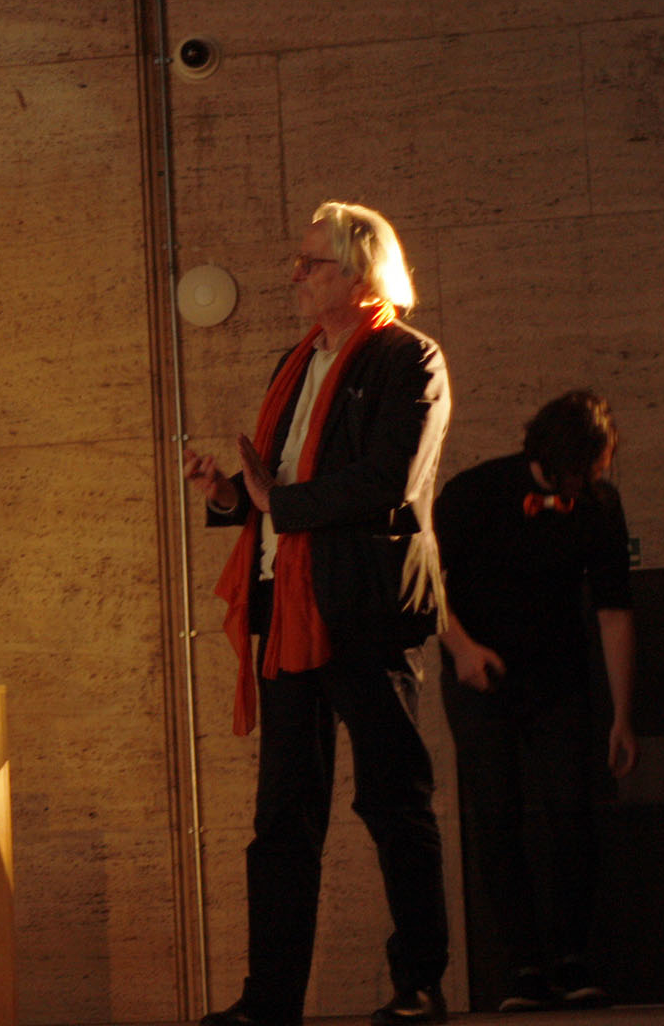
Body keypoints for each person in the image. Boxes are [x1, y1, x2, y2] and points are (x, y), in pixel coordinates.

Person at [183, 202, 453, 1026]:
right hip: (287, 610)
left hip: (363, 608)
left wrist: (279, 501)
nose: (294, 274)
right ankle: (270, 1001)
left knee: (393, 802)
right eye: (299, 261)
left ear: (360, 275)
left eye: (312, 263)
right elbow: (275, 495)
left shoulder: (409, 359)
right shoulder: (293, 363)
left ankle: (419, 984)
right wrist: (230, 496)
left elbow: (387, 481)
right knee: (282, 819)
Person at [434, 391, 637, 1012]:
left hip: (560, 677)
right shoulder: (475, 493)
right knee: (496, 818)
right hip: (481, 676)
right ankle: (521, 967)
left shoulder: (599, 505)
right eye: (587, 469)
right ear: (559, 459)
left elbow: (614, 612)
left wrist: (623, 715)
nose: (594, 479)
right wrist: (463, 651)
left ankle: (573, 959)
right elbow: (424, 580)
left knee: (573, 813)